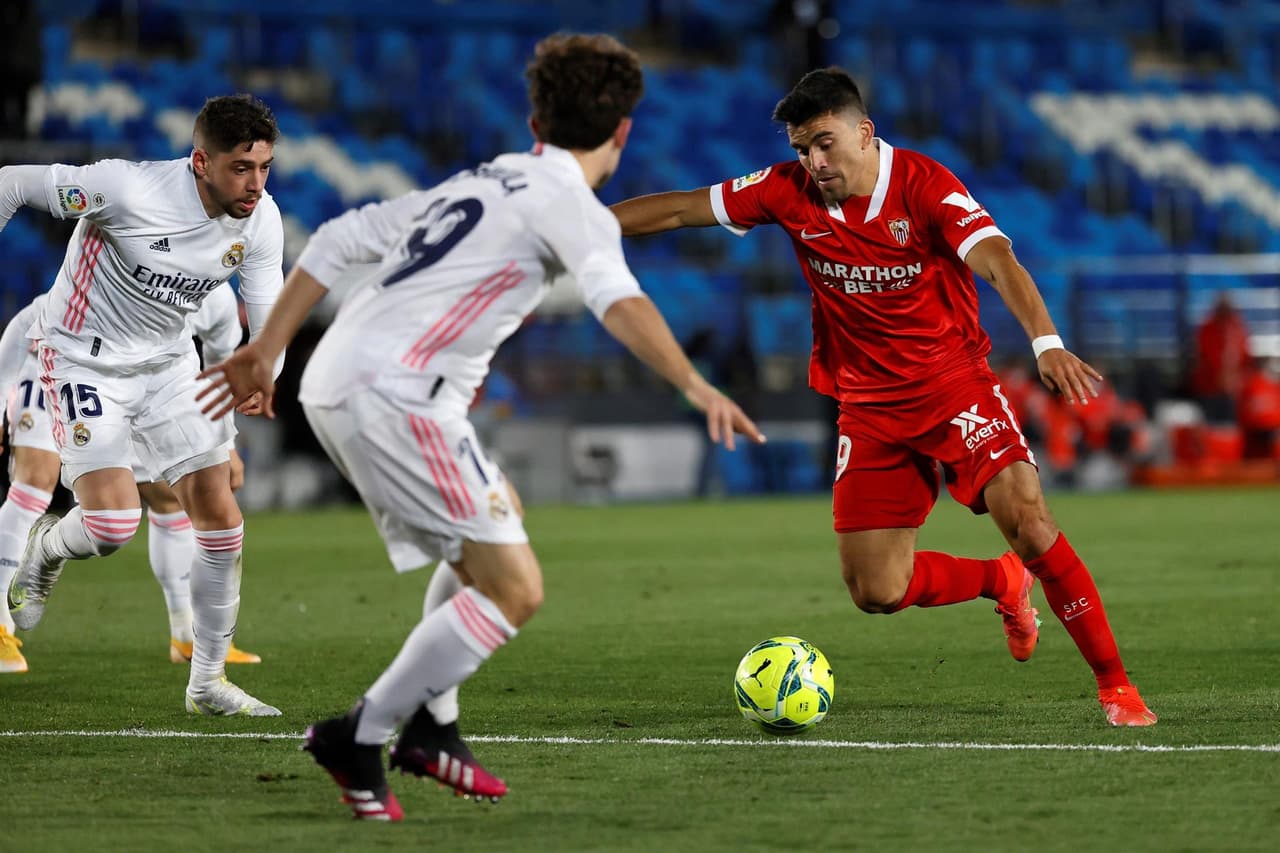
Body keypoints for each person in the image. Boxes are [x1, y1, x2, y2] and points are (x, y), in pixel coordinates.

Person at [198, 33, 765, 821]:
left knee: (497, 526)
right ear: (623, 131)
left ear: (536, 116)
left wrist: (270, 347)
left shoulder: (491, 177)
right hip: (396, 391)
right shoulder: (572, 206)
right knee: (516, 587)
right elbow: (619, 300)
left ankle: (435, 727)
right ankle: (363, 732)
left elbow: (334, 239)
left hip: (345, 375)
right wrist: (695, 382)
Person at [610, 67, 1156, 727]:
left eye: (824, 143)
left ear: (864, 133)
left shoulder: (927, 187)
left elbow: (998, 258)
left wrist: (1046, 343)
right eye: (801, 149)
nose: (813, 161)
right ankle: (1001, 580)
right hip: (868, 403)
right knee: (876, 589)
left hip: (954, 384)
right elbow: (678, 208)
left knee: (1031, 519)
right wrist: (581, 231)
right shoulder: (784, 191)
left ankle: (1116, 687)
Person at [0, 94, 284, 715]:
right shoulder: (126, 191)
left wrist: (263, 374)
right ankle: (46, 548)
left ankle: (207, 684)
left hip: (170, 364)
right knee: (110, 526)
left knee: (222, 519)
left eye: (265, 167)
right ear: (201, 161)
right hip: (82, 359)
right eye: (242, 167)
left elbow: (267, 324)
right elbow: (13, 183)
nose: (256, 184)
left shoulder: (261, 221)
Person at [0, 287, 261, 673]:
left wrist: (228, 442)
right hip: (61, 364)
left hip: (137, 383)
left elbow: (221, 368)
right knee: (36, 480)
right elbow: (27, 321)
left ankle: (185, 635)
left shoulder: (216, 297)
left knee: (167, 497)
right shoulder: (129, 262)